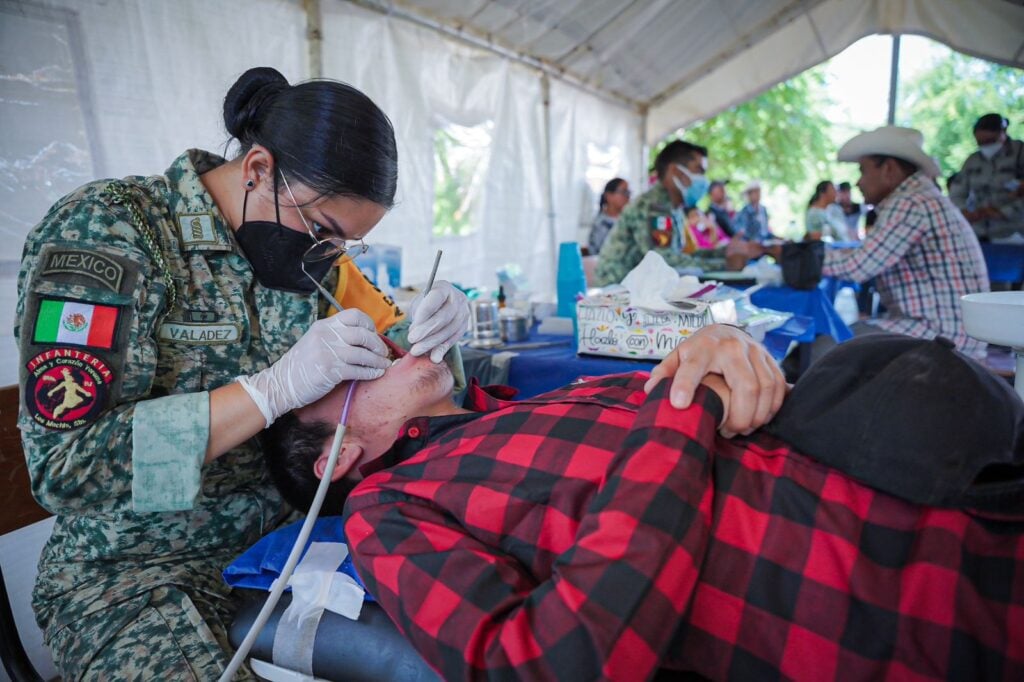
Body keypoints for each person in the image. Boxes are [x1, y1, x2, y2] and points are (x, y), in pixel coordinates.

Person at [14, 66, 470, 680]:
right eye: (325, 230)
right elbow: (69, 467)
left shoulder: (312, 259)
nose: (331, 255)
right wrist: (266, 392)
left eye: (348, 244)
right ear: (258, 169)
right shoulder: (114, 233)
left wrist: (436, 332)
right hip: (136, 573)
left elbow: (395, 352)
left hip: (286, 550)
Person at [264, 330, 1024, 681]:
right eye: (353, 369)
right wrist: (684, 407)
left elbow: (719, 396)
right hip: (901, 586)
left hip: (950, 482)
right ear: (338, 454)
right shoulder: (388, 509)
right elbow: (543, 665)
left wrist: (723, 347)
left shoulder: (509, 410)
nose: (391, 348)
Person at [805, 126, 990, 358]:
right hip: (948, 332)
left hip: (943, 337)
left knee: (825, 351)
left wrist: (799, 257)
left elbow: (857, 266)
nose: (859, 182)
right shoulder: (919, 198)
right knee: (838, 340)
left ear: (889, 169)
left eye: (863, 171)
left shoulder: (911, 202)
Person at [594, 141, 760, 285]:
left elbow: (681, 254)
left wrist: (724, 252)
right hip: (616, 291)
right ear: (675, 171)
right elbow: (665, 261)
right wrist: (725, 265)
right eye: (698, 170)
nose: (703, 179)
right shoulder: (653, 205)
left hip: (641, 287)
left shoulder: (673, 207)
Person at [949, 113, 1024, 243]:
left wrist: (1002, 212)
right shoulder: (972, 161)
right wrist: (964, 211)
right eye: (980, 143)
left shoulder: (1020, 154)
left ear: (1003, 133)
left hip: (1015, 234)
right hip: (979, 234)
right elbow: (956, 192)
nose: (985, 146)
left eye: (990, 141)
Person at [587, 177, 630, 255]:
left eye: (628, 192)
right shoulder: (601, 224)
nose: (627, 197)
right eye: (624, 192)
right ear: (609, 196)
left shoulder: (628, 219)